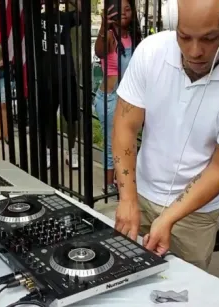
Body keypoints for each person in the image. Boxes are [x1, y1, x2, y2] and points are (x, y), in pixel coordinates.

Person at [112, 0, 219, 270]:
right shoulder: (151, 52)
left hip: (197, 213)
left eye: (209, 39)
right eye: (184, 37)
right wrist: (128, 199)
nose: (195, 51)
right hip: (139, 192)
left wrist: (168, 218)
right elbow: (125, 126)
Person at [94, 0, 141, 194]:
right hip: (111, 98)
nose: (124, 13)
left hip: (128, 99)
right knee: (113, 142)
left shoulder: (134, 37)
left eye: (128, 9)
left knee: (127, 141)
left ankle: (120, 180)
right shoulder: (110, 36)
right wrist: (104, 27)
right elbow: (99, 50)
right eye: (119, 10)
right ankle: (109, 185)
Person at [40, 0, 82, 169]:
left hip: (66, 74)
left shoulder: (64, 17)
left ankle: (71, 151)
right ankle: (49, 152)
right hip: (46, 75)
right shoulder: (38, 18)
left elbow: (81, 14)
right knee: (48, 118)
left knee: (71, 117)